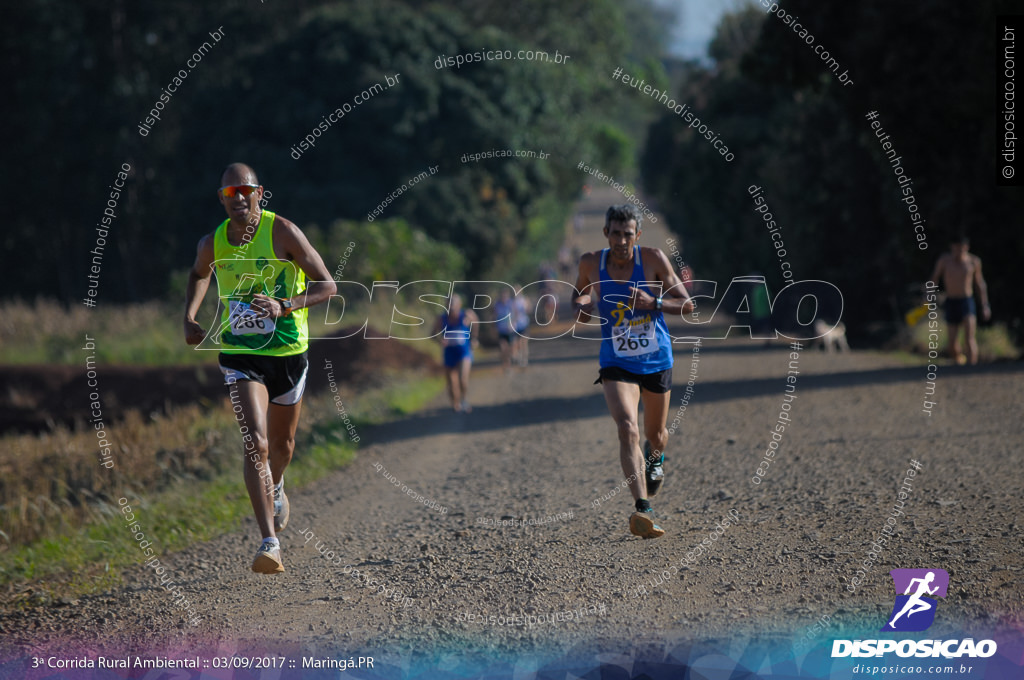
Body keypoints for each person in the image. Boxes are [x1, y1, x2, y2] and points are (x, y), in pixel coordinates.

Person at [183, 163, 336, 574]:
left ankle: (278, 485)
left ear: (259, 193)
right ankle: (269, 542)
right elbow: (199, 275)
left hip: (287, 352)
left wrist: (285, 305)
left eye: (244, 191)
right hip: (240, 353)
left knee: (282, 449)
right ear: (221, 198)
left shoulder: (283, 231)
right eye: (229, 193)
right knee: (257, 441)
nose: (238, 199)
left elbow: (327, 286)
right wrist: (190, 316)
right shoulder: (212, 242)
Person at [573, 204, 693, 539]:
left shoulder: (653, 259)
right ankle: (643, 510)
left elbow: (687, 305)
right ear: (606, 234)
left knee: (655, 435)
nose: (622, 240)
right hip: (616, 360)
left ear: (637, 235)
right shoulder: (589, 263)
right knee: (627, 428)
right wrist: (580, 307)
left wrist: (653, 303)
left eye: (628, 234)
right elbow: (579, 297)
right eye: (615, 233)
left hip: (656, 360)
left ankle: (657, 459)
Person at [928, 235, 991, 364]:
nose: (958, 252)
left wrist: (985, 305)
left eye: (961, 249)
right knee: (952, 342)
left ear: (966, 248)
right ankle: (959, 361)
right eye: (955, 248)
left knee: (969, 337)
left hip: (966, 301)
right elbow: (934, 278)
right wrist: (928, 295)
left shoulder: (973, 261)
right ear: (952, 247)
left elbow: (979, 283)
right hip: (951, 301)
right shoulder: (944, 261)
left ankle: (972, 367)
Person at [434, 293, 479, 412]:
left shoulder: (466, 314)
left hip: (464, 351)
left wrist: (474, 338)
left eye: (453, 303)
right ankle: (455, 403)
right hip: (449, 352)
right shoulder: (441, 318)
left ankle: (464, 400)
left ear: (459, 304)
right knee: (451, 382)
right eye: (448, 303)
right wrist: (440, 341)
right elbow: (432, 334)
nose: (451, 306)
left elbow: (476, 322)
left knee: (463, 378)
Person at [494, 289, 516, 374]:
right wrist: (494, 327)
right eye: (502, 296)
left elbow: (515, 314)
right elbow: (494, 316)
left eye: (505, 296)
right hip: (501, 330)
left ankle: (509, 364)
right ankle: (505, 365)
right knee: (503, 348)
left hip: (509, 330)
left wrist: (513, 324)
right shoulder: (497, 305)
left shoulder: (511, 304)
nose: (504, 298)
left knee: (510, 350)